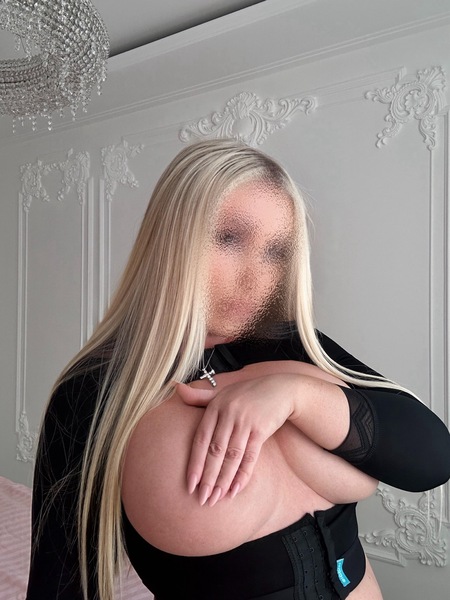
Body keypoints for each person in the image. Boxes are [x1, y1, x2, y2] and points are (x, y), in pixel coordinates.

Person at [26, 138, 450, 600]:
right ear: (171, 239)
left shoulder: (289, 342)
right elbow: (61, 582)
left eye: (276, 251)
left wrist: (295, 395)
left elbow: (432, 458)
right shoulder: (93, 390)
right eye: (229, 239)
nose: (255, 278)